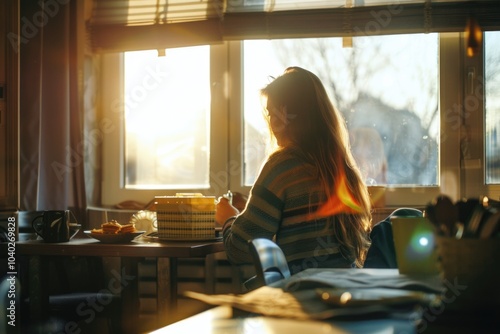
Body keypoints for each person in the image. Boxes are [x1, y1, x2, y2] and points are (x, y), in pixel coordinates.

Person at [216, 67, 372, 275]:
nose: (270, 123)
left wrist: (228, 217)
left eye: (273, 114)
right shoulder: (343, 169)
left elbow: (240, 249)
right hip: (347, 292)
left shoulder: (282, 167)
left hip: (306, 295)